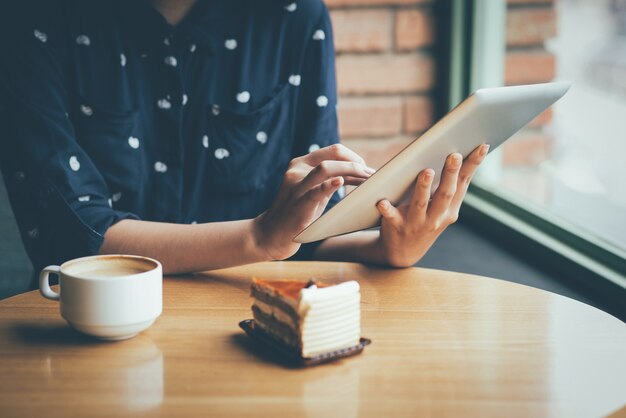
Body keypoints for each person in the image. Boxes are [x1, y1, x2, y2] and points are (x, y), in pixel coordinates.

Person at [0, 0, 488, 276]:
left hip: (254, 323)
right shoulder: (33, 21)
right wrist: (258, 236)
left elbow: (302, 238)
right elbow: (72, 239)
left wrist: (390, 248)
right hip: (92, 332)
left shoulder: (295, 19)